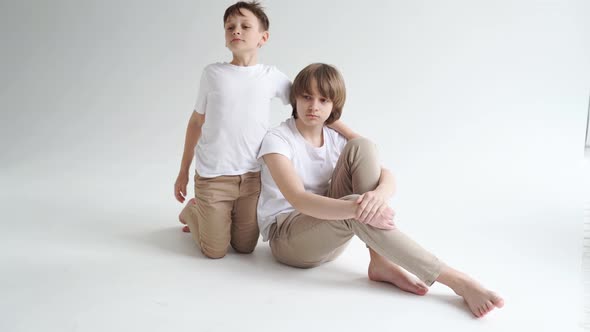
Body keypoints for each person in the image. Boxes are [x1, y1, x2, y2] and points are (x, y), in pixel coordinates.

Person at [257, 63, 504, 318]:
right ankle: (457, 281)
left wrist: (378, 197)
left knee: (362, 146)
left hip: (329, 232)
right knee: (357, 204)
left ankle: (379, 260)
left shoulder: (333, 137)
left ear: (334, 107)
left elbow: (386, 173)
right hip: (289, 239)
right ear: (294, 98)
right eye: (306, 97)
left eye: (323, 100)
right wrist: (356, 208)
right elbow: (300, 200)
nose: (313, 106)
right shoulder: (277, 139)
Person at [175, 2, 356, 259]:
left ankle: (212, 217)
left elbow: (309, 105)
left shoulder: (271, 76)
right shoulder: (213, 74)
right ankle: (193, 212)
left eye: (245, 26)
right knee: (214, 250)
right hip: (214, 177)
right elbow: (195, 122)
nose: (236, 31)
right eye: (230, 27)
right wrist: (183, 171)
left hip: (251, 178)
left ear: (263, 37)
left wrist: (350, 135)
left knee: (245, 246)